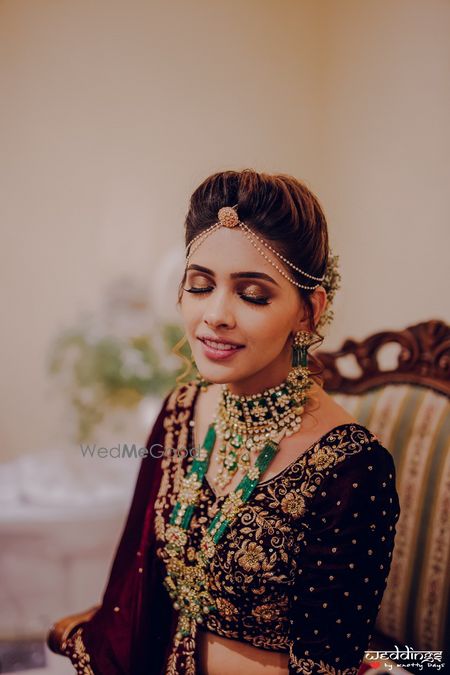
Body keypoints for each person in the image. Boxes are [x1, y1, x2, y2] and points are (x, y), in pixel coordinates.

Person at [50, 169, 400, 674]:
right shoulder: (182, 410)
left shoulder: (351, 468)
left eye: (252, 294)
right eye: (199, 285)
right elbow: (138, 588)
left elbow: (326, 665)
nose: (215, 314)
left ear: (308, 312)